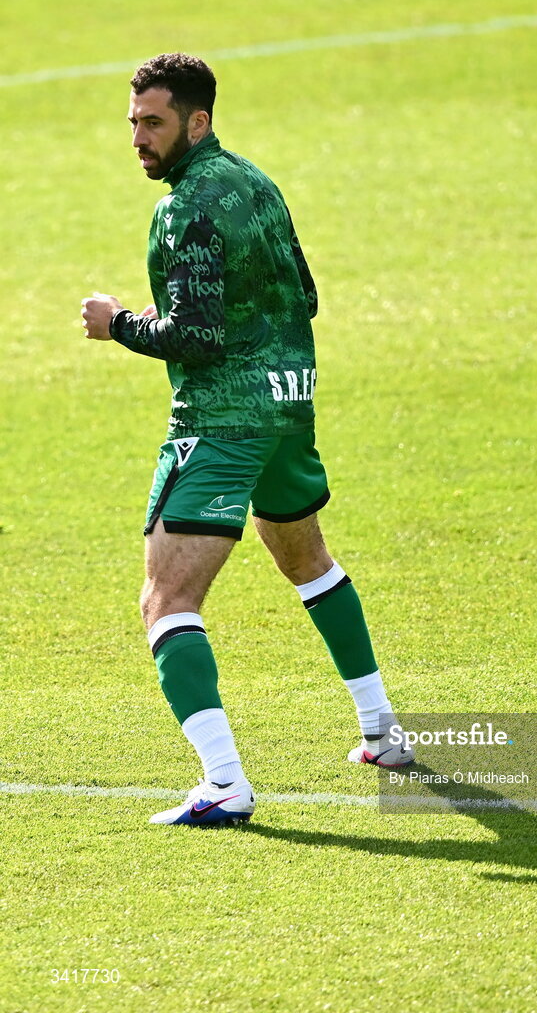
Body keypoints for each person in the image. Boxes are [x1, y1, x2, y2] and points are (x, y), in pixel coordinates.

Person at [80, 53, 413, 827]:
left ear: (197, 121)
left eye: (153, 123)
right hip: (289, 405)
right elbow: (308, 295)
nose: (138, 137)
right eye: (133, 122)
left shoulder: (184, 207)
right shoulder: (257, 183)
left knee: (166, 600)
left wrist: (117, 324)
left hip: (222, 421)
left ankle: (224, 784)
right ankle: (383, 732)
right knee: (306, 559)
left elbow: (192, 335)